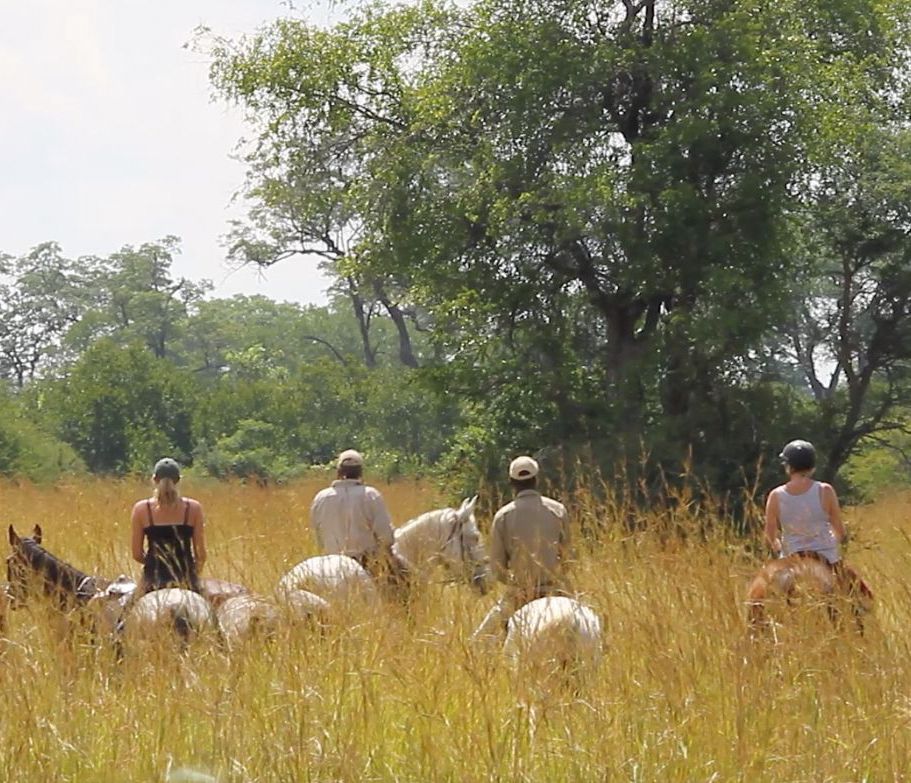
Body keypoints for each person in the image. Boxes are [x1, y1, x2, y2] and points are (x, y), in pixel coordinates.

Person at [471, 455, 572, 640]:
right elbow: (568, 559)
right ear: (537, 479)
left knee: (479, 640)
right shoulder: (558, 510)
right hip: (556, 590)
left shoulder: (503, 516)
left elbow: (497, 568)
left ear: (511, 482)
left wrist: (515, 583)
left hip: (519, 594)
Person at [309, 449, 410, 592]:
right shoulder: (370, 495)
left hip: (329, 564)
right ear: (360, 472)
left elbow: (318, 537)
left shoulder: (320, 497)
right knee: (407, 583)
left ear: (338, 471)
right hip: (366, 563)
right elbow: (386, 538)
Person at [131, 457, 206, 594]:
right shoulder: (193, 508)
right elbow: (200, 555)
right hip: (186, 579)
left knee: (125, 612)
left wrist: (153, 563)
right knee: (212, 612)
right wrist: (193, 574)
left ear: (154, 479)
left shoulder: (142, 509)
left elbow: (136, 554)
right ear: (178, 480)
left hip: (152, 581)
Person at [764, 439, 846, 565]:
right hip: (827, 557)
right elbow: (840, 532)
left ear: (788, 466)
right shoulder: (825, 490)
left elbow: (770, 538)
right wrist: (831, 542)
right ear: (812, 467)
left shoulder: (775, 495)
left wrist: (780, 548)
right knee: (857, 584)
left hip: (790, 557)